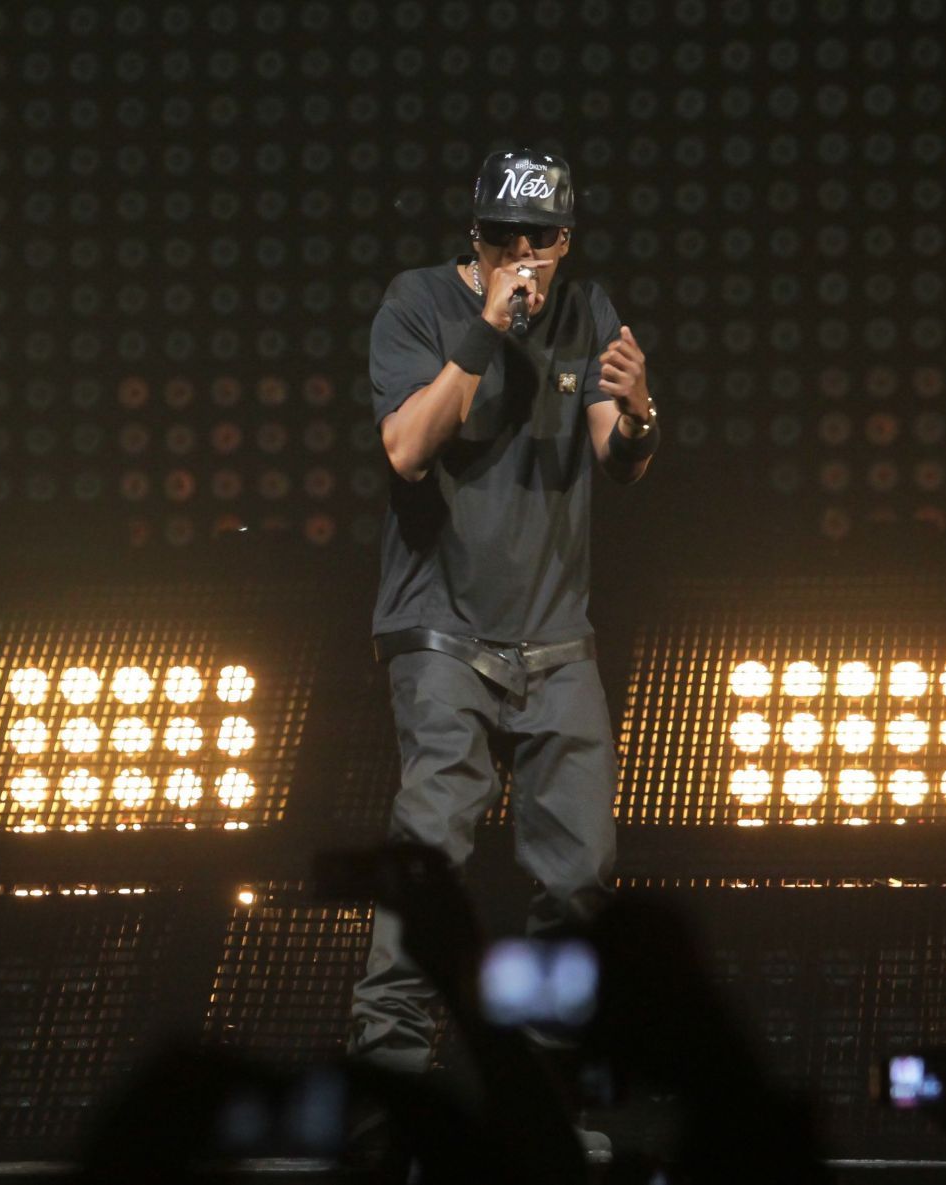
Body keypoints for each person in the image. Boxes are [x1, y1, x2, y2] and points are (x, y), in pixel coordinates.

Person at [347, 149, 658, 1075]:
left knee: (581, 871)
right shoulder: (417, 302)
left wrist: (640, 410)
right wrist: (483, 331)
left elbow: (621, 457)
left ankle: (538, 1082)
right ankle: (392, 1078)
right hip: (441, 629)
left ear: (566, 240)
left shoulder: (587, 307)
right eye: (500, 238)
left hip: (558, 638)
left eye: (541, 240)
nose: (521, 257)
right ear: (472, 235)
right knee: (430, 860)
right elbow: (405, 448)